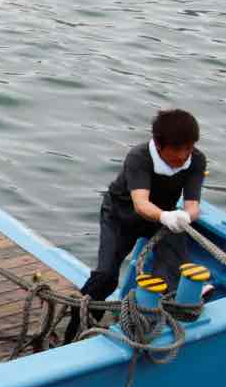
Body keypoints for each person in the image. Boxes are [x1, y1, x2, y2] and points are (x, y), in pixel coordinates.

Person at [65, 109, 206, 342]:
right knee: (106, 277)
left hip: (163, 218)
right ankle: (79, 322)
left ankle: (146, 326)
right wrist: (165, 217)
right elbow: (141, 203)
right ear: (159, 145)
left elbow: (192, 204)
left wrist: (186, 217)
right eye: (177, 149)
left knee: (168, 276)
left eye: (188, 148)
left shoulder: (196, 160)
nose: (183, 156)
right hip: (121, 216)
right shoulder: (139, 157)